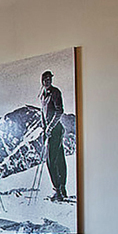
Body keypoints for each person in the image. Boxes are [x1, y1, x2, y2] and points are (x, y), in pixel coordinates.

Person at [39, 70, 67, 201]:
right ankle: (61, 189)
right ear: (42, 81)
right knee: (58, 159)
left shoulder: (55, 92)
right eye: (45, 79)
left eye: (49, 79)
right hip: (49, 131)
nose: (47, 81)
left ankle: (58, 190)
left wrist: (50, 127)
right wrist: (44, 128)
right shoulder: (43, 96)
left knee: (51, 161)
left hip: (56, 130)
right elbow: (43, 113)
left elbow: (59, 111)